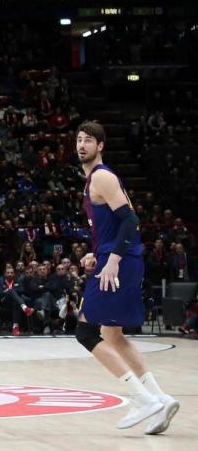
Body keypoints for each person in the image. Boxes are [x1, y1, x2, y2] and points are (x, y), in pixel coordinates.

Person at [74, 121, 179, 434]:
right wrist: (98, 254)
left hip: (119, 262)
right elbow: (116, 224)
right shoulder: (97, 180)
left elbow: (131, 220)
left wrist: (112, 259)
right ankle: (160, 398)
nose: (82, 145)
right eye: (78, 140)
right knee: (113, 334)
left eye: (89, 140)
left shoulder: (102, 176)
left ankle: (142, 398)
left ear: (101, 145)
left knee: (86, 331)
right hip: (120, 259)